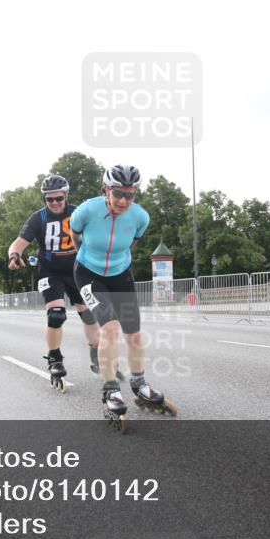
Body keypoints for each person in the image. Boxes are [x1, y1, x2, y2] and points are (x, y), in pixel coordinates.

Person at [70, 164, 176, 423]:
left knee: (134, 334)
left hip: (120, 273)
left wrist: (117, 263)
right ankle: (110, 389)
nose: (123, 200)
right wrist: (86, 261)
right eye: (118, 193)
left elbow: (132, 243)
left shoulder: (141, 217)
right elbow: (75, 238)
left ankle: (139, 384)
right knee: (110, 328)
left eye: (130, 195)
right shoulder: (86, 210)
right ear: (106, 190)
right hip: (88, 273)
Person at [7, 175, 101, 386]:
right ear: (45, 200)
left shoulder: (79, 213)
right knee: (56, 315)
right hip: (49, 270)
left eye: (59, 198)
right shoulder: (38, 218)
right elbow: (18, 243)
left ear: (66, 195)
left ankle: (96, 350)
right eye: (50, 200)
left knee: (88, 314)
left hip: (77, 270)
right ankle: (54, 358)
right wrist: (14, 256)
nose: (55, 203)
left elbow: (98, 236)